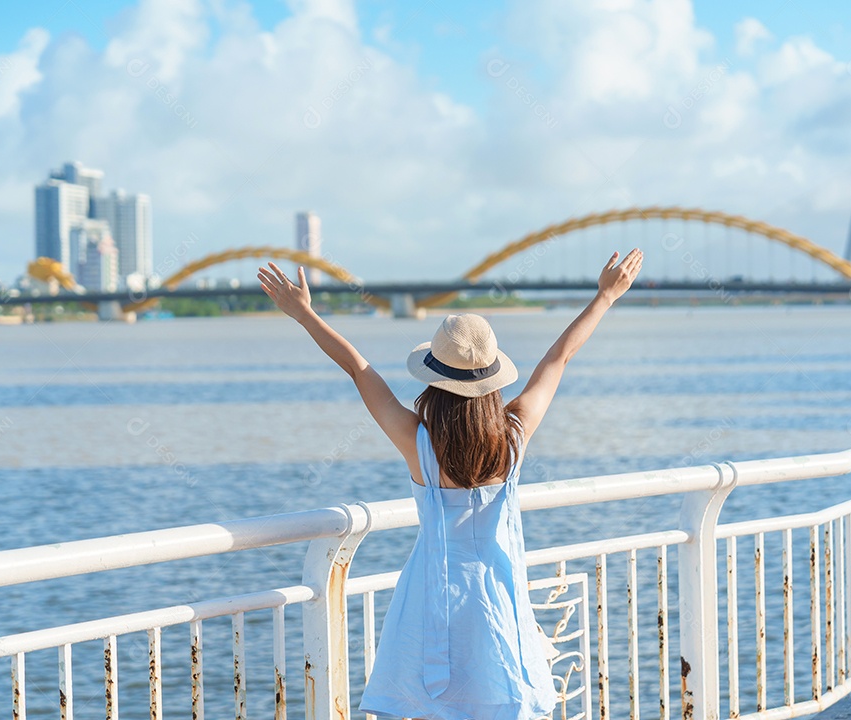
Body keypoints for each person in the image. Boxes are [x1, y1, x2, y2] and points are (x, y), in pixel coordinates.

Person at [257, 248, 644, 720]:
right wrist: (606, 296)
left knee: (434, 705)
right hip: (497, 594)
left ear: (435, 379)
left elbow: (359, 369)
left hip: (432, 597)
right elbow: (559, 358)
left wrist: (305, 314)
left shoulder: (418, 442)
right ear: (492, 379)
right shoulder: (514, 435)